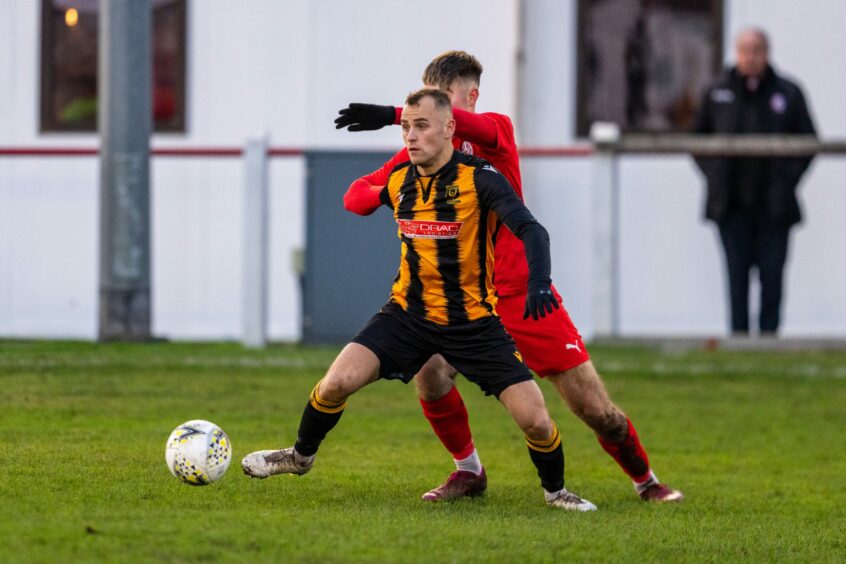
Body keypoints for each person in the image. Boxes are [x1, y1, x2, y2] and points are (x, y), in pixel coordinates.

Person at [335, 51, 682, 502]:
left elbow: (474, 134)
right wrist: (385, 193)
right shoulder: (420, 155)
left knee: (594, 409)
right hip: (464, 301)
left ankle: (646, 481)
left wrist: (390, 114)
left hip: (524, 295)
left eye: (443, 103)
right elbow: (354, 196)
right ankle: (468, 471)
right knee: (430, 374)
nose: (427, 117)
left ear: (470, 98)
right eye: (423, 108)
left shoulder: (496, 131)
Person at [243, 88, 597, 512]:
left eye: (421, 126)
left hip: (473, 323)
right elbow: (355, 200)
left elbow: (532, 230)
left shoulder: (480, 179)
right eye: (406, 127)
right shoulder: (399, 180)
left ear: (450, 128)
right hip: (407, 316)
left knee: (536, 420)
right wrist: (368, 195)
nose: (410, 136)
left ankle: (556, 492)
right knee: (335, 382)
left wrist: (540, 280)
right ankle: (300, 457)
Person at [693, 28, 816, 336]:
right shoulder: (716, 92)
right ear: (736, 52)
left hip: (775, 209)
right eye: (744, 50)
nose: (750, 56)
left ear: (766, 52)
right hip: (731, 207)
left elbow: (808, 142)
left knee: (772, 279)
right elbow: (697, 141)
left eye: (756, 50)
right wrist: (716, 175)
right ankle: (738, 343)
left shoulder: (788, 92)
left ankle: (770, 344)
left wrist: (786, 181)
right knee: (737, 279)